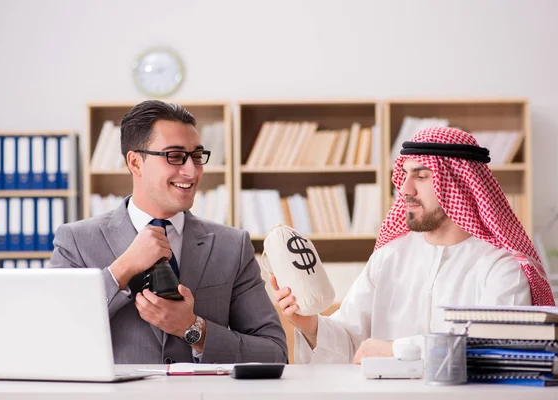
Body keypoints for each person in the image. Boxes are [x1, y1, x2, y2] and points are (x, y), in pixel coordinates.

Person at [271, 126, 555, 364]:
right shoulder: (389, 257)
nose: (405, 189)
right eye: (404, 175)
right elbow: (350, 344)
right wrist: (310, 325)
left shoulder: (500, 267)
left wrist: (394, 350)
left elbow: (491, 352)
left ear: (458, 185)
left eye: (421, 176)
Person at [49, 100, 287, 364]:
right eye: (174, 156)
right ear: (135, 162)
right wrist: (121, 270)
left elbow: (274, 353)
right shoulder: (76, 241)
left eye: (197, 156)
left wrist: (194, 329)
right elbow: (52, 334)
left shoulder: (232, 245)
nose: (191, 171)